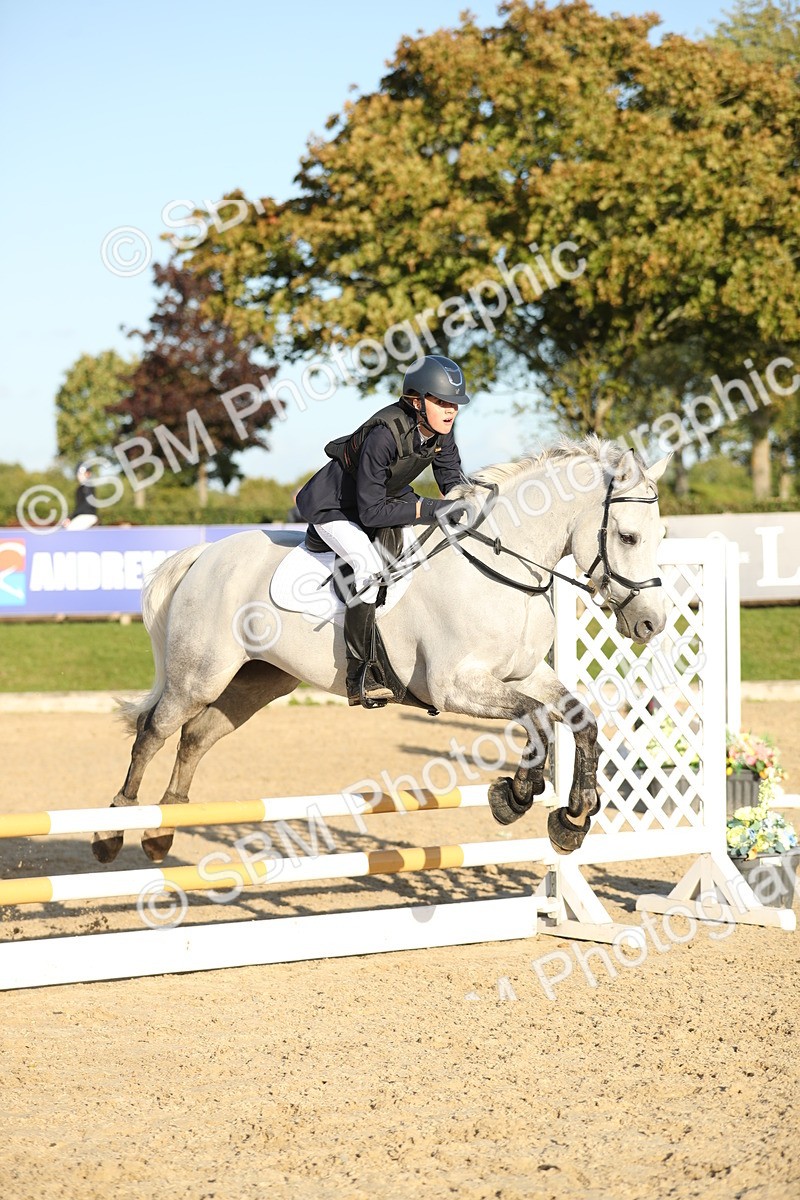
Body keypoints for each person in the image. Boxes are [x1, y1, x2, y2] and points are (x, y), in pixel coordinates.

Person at [295, 354, 471, 708]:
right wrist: (432, 509)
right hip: (335, 508)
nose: (450, 410)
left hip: (381, 500)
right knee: (367, 566)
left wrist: (473, 503)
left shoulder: (441, 432)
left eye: (454, 403)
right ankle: (360, 675)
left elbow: (452, 481)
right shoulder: (383, 435)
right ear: (416, 401)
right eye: (441, 402)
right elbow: (372, 512)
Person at [62, 462, 99, 530]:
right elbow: (79, 507)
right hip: (81, 516)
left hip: (87, 516)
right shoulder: (80, 488)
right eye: (79, 474)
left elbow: (86, 506)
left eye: (83, 473)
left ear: (88, 474)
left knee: (71, 529)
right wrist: (70, 517)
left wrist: (71, 517)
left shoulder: (88, 486)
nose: (81, 476)